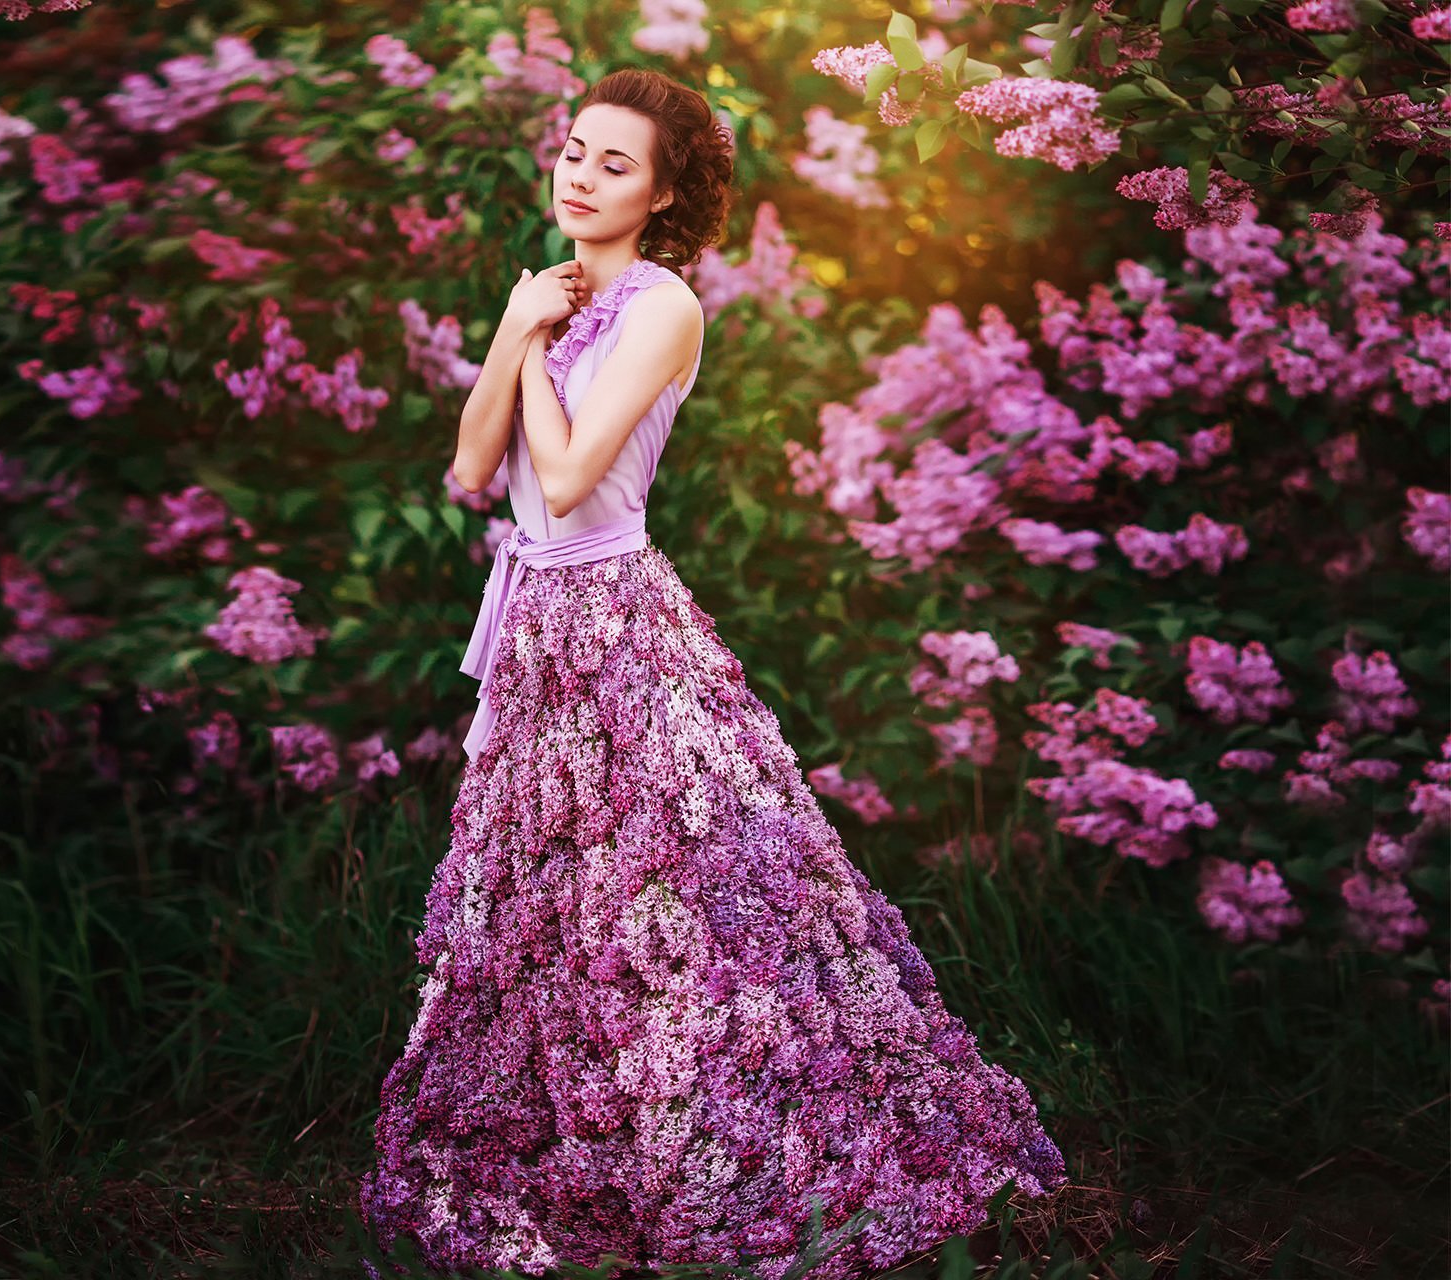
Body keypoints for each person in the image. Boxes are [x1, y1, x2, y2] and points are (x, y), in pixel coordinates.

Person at [359, 67, 1067, 1280]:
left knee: (683, 895)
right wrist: (521, 325)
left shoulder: (661, 304)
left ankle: (731, 1136)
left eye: (615, 162)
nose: (580, 174)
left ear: (667, 189)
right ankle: (604, 1126)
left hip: (620, 620)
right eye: (576, 150)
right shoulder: (550, 294)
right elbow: (472, 471)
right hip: (539, 626)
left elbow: (573, 476)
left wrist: (532, 338)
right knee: (558, 901)